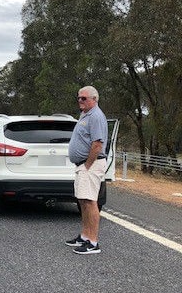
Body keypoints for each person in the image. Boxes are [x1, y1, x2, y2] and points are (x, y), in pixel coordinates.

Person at [66, 86, 108, 255]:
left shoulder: (96, 116)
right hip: (83, 165)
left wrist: (87, 164)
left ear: (94, 99)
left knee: (90, 202)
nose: (80, 101)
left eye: (84, 98)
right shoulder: (86, 114)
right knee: (83, 201)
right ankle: (84, 236)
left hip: (90, 164)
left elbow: (97, 144)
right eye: (78, 98)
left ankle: (93, 242)